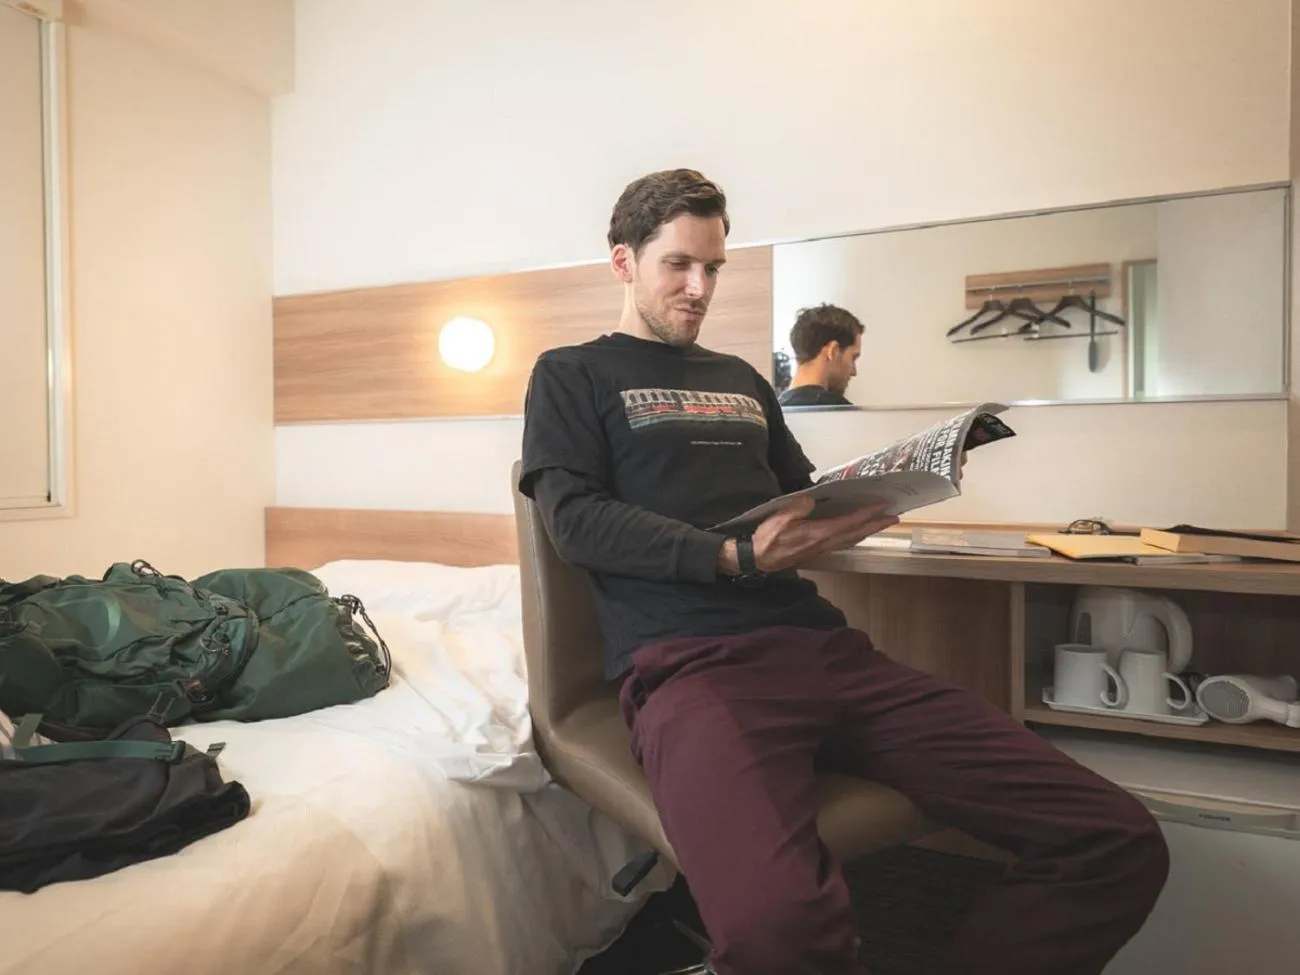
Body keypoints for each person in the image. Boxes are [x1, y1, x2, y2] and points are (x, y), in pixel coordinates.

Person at [518, 168, 1169, 975]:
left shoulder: (742, 380)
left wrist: (885, 489)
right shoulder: (571, 374)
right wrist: (734, 555)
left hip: (825, 652)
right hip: (692, 667)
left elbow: (801, 495)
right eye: (678, 265)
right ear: (623, 261)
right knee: (777, 930)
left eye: (713, 267)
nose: (700, 288)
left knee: (1116, 839)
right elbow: (576, 521)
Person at [778, 303, 864, 407]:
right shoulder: (839, 411)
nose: (854, 372)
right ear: (833, 351)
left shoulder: (771, 409)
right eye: (853, 358)